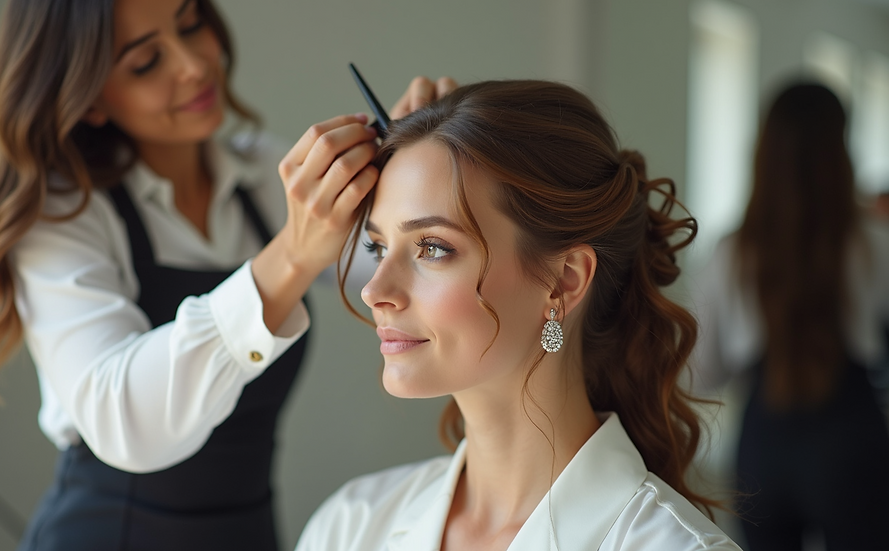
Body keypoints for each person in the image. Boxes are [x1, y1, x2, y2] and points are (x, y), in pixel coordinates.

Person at [0, 0, 454, 549]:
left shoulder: (261, 178)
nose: (192, 64)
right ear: (89, 97)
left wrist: (422, 182)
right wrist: (291, 256)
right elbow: (124, 420)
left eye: (190, 26)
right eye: (146, 63)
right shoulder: (63, 217)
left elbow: (403, 283)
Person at [296, 80, 741, 551]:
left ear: (564, 279)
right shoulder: (349, 527)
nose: (374, 290)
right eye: (378, 246)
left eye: (432, 248)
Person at [691, 82, 889, 550]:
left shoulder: (733, 251)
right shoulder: (875, 242)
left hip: (765, 449)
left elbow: (702, 373)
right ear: (842, 147)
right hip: (853, 444)